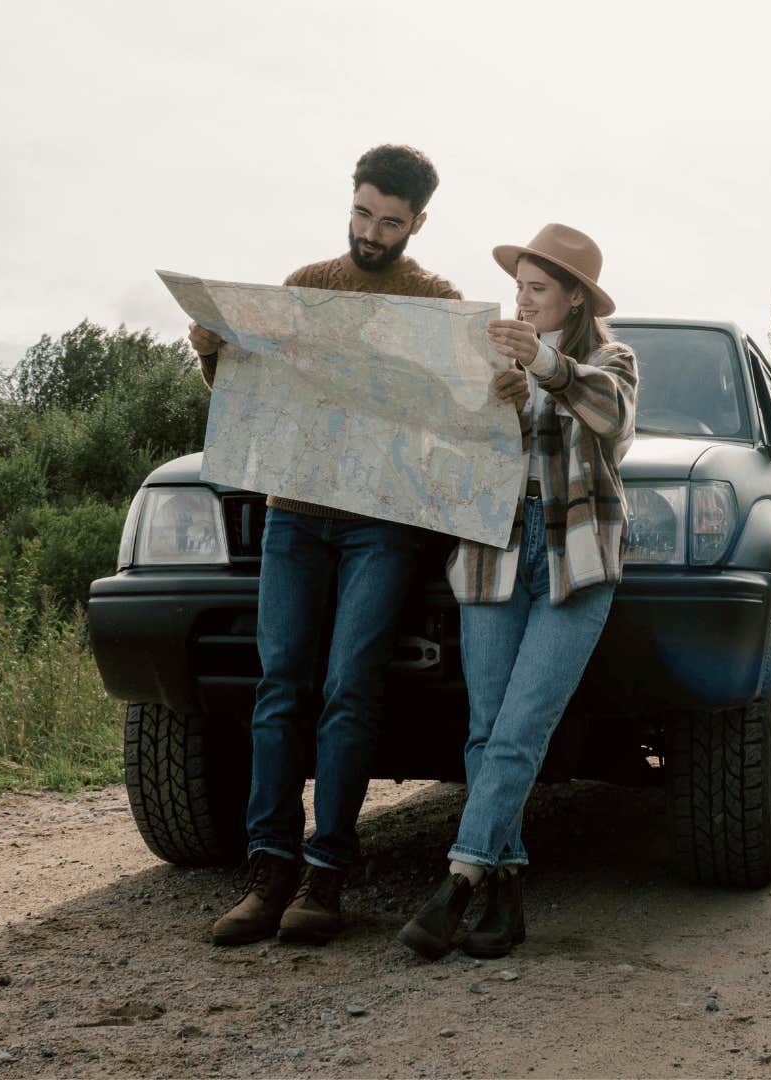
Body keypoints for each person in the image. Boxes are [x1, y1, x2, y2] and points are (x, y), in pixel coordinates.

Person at [195, 145, 463, 947]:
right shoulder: (306, 285)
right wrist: (213, 354)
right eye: (361, 214)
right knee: (280, 685)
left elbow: (458, 414)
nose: (371, 233)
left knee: (350, 688)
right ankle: (268, 868)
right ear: (349, 202)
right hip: (295, 512)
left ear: (417, 223)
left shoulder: (435, 301)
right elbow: (253, 399)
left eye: (390, 222)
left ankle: (327, 876)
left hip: (383, 521)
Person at [398, 224, 637, 960]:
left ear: (573, 298)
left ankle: (459, 882)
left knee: (520, 727)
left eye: (538, 290)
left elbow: (616, 423)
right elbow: (444, 450)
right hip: (491, 549)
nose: (523, 302)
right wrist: (491, 406)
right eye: (519, 289)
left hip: (576, 558)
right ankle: (505, 893)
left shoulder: (610, 358)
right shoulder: (489, 356)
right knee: (485, 727)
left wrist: (547, 367)